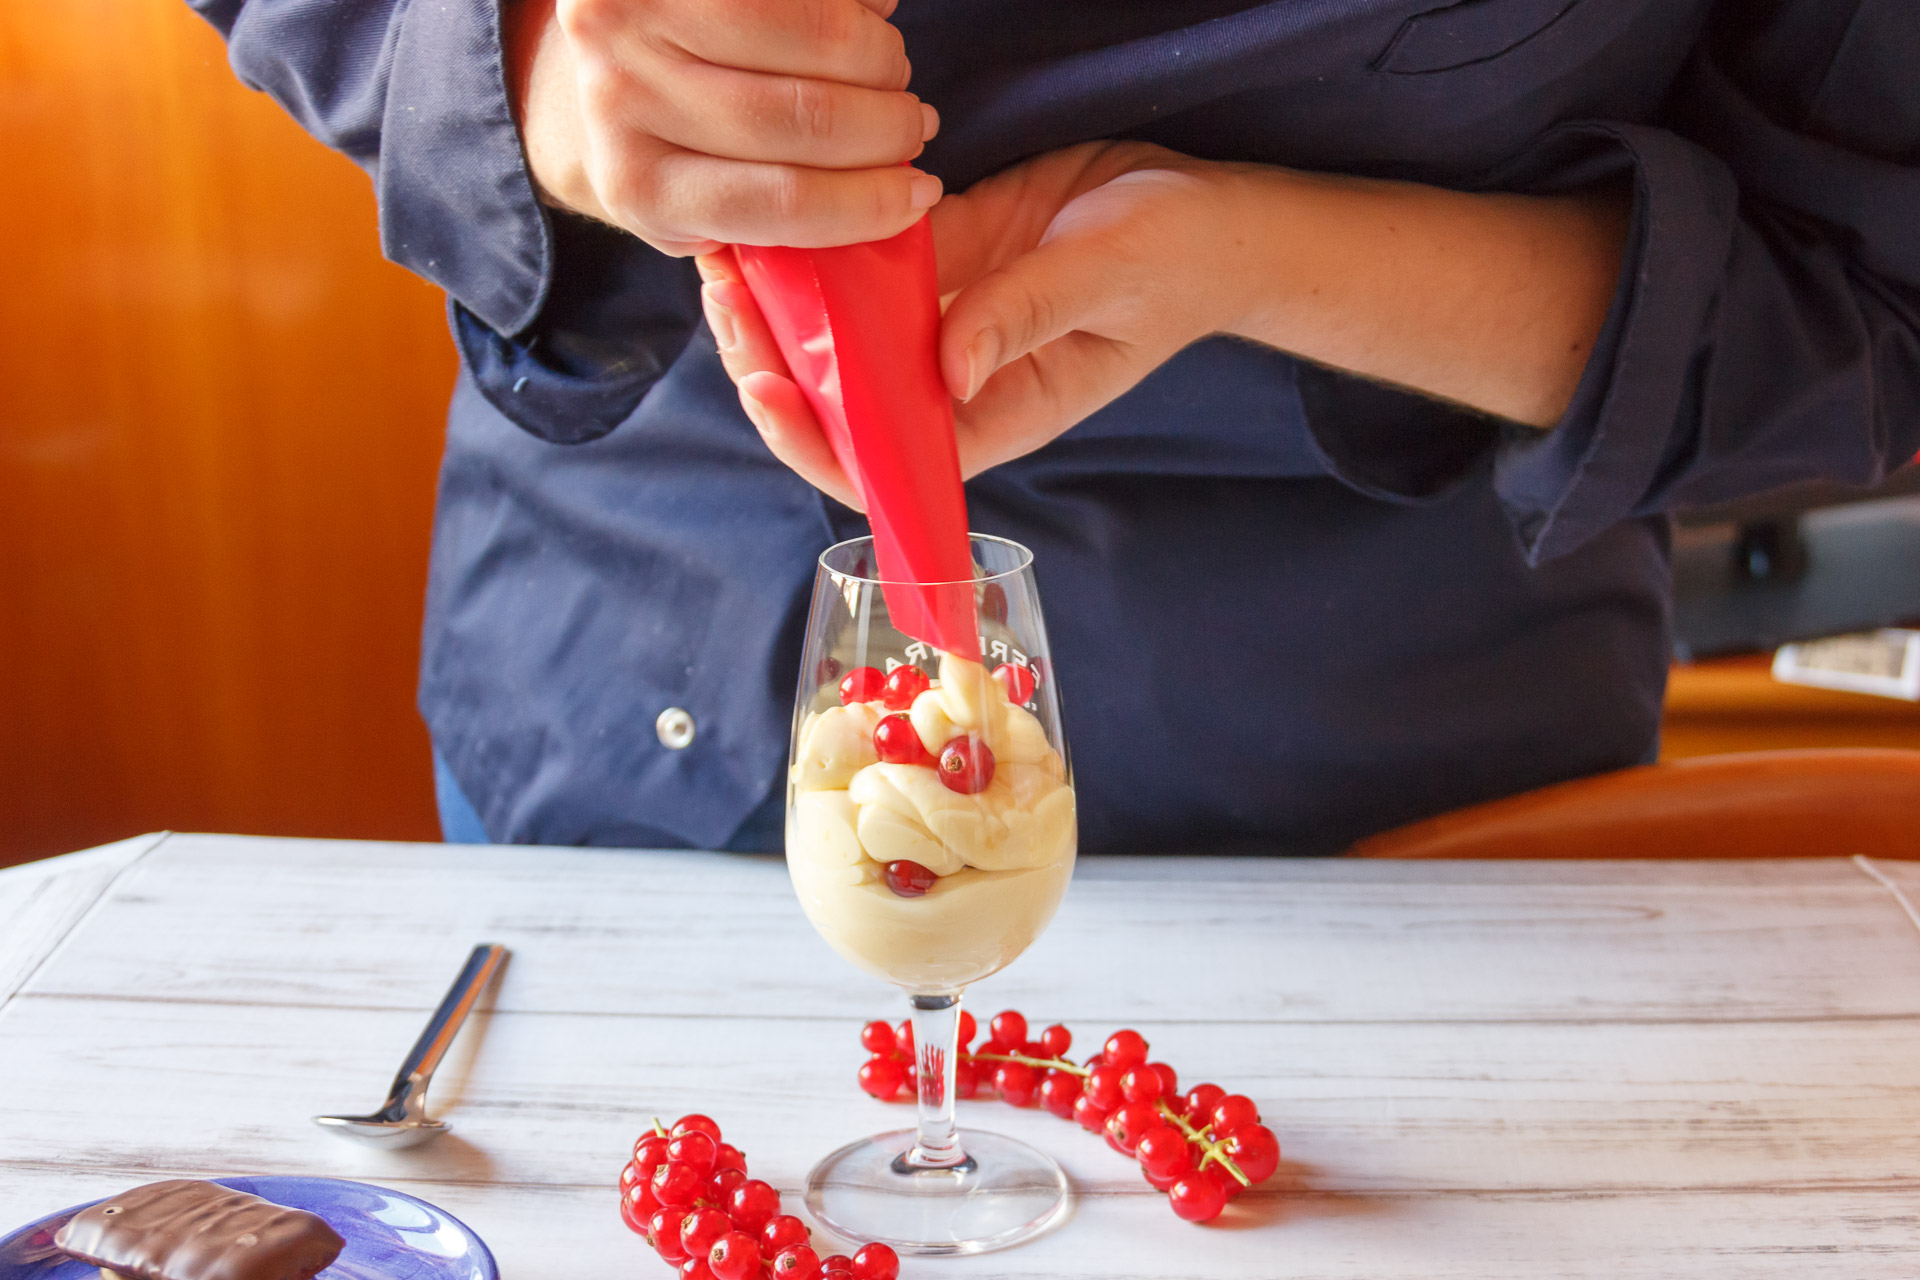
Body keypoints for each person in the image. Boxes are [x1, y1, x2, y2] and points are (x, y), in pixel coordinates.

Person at [191, 0, 1918, 854]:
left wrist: (1251, 253)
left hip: (1405, 777)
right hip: (646, 670)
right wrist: (529, 62)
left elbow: (1860, 304)